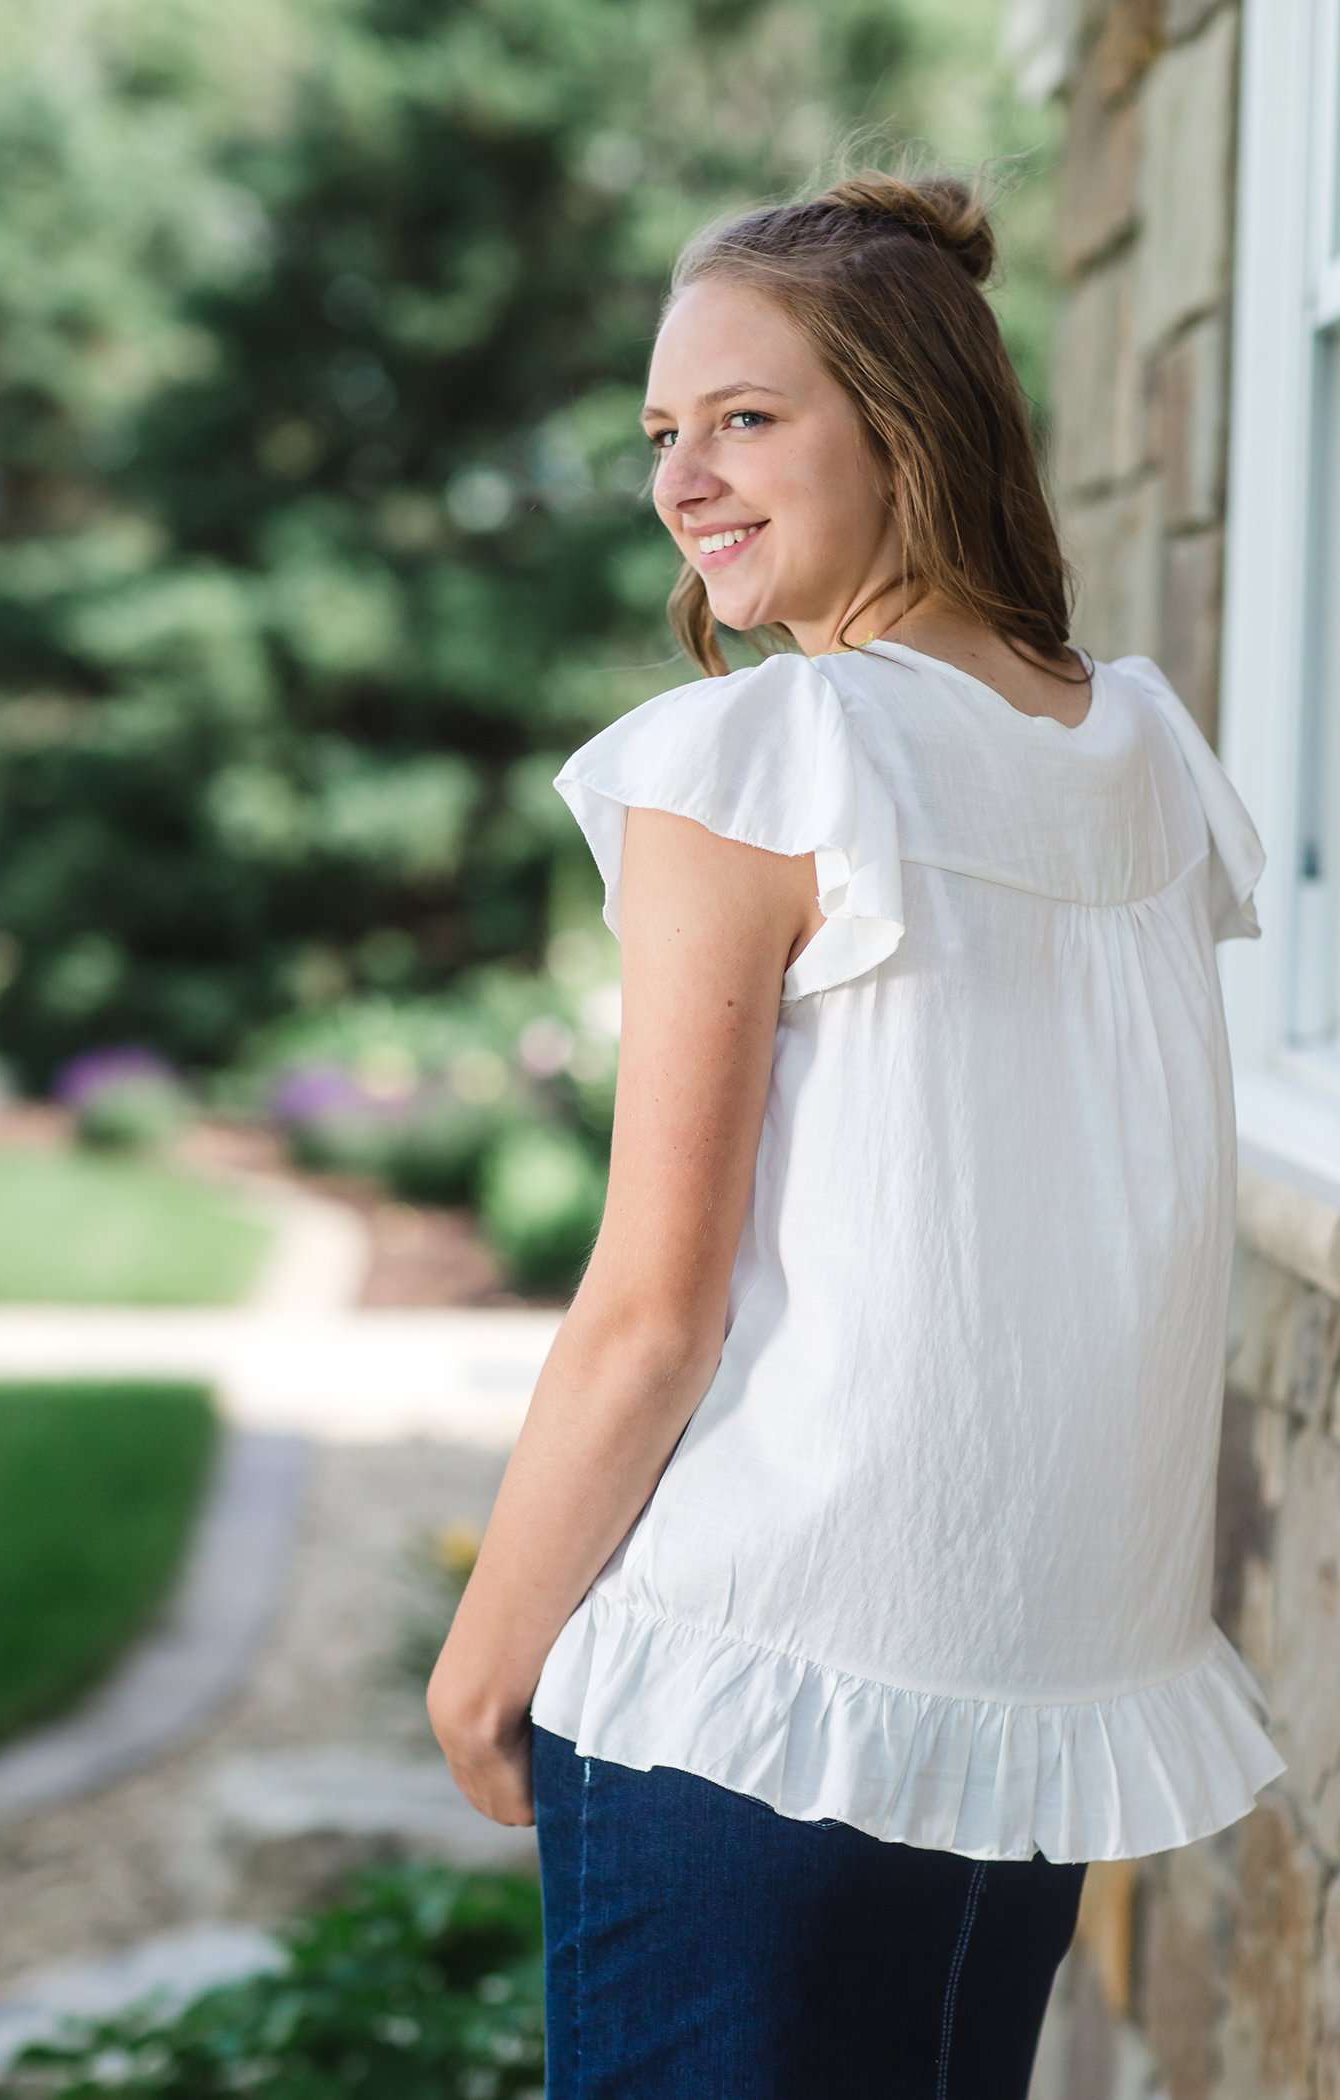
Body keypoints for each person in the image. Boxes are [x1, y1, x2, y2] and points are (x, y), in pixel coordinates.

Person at [426, 155, 1289, 2099]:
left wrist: (484, 1662)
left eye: (747, 416)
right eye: (664, 430)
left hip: (757, 1695)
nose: (685, 477)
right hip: (1014, 1709)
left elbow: (655, 1309)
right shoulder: (1137, 754)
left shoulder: (756, 755)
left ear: (904, 428)